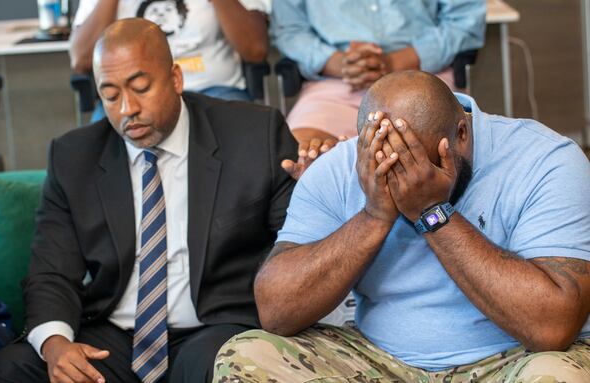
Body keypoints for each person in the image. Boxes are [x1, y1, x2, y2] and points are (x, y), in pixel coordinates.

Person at [213, 71, 590, 382]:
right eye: (388, 167)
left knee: (558, 375)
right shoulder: (340, 167)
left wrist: (433, 213)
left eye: (422, 164)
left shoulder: (545, 161)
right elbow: (276, 312)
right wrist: (373, 216)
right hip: (379, 360)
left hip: (509, 362)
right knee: (247, 355)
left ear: (462, 133)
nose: (404, 181)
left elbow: (553, 328)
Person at [0, 18, 296, 383]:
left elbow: (295, 247)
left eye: (140, 87)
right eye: (111, 94)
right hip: (115, 335)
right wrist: (55, 343)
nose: (127, 109)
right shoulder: (73, 157)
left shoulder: (254, 135)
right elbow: (51, 272)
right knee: (10, 369)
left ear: (176, 79)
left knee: (222, 369)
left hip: (217, 327)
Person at [272, 0, 486, 177]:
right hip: (335, 82)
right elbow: (290, 30)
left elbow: (465, 20)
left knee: (427, 153)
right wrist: (340, 63)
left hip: (422, 76)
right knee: (298, 155)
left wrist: (397, 62)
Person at [70, 0, 270, 121]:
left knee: (240, 137)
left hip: (213, 90)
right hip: (133, 96)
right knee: (99, 151)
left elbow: (255, 50)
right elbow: (82, 59)